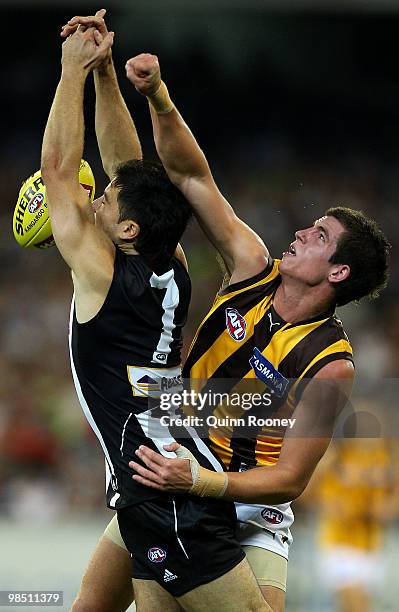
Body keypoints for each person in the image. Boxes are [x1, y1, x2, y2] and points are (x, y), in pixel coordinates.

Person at [61, 12, 391, 612]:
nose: (300, 231)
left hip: (245, 509)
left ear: (338, 273)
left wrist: (203, 482)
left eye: (317, 236)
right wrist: (157, 96)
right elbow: (187, 176)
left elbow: (291, 480)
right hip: (172, 474)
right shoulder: (249, 266)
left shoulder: (331, 364)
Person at [42, 15, 270, 612]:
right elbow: (131, 171)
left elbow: (60, 174)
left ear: (127, 230)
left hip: (164, 491)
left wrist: (71, 71)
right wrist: (105, 75)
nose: (98, 196)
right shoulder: (173, 266)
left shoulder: (102, 277)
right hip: (167, 472)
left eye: (108, 200)